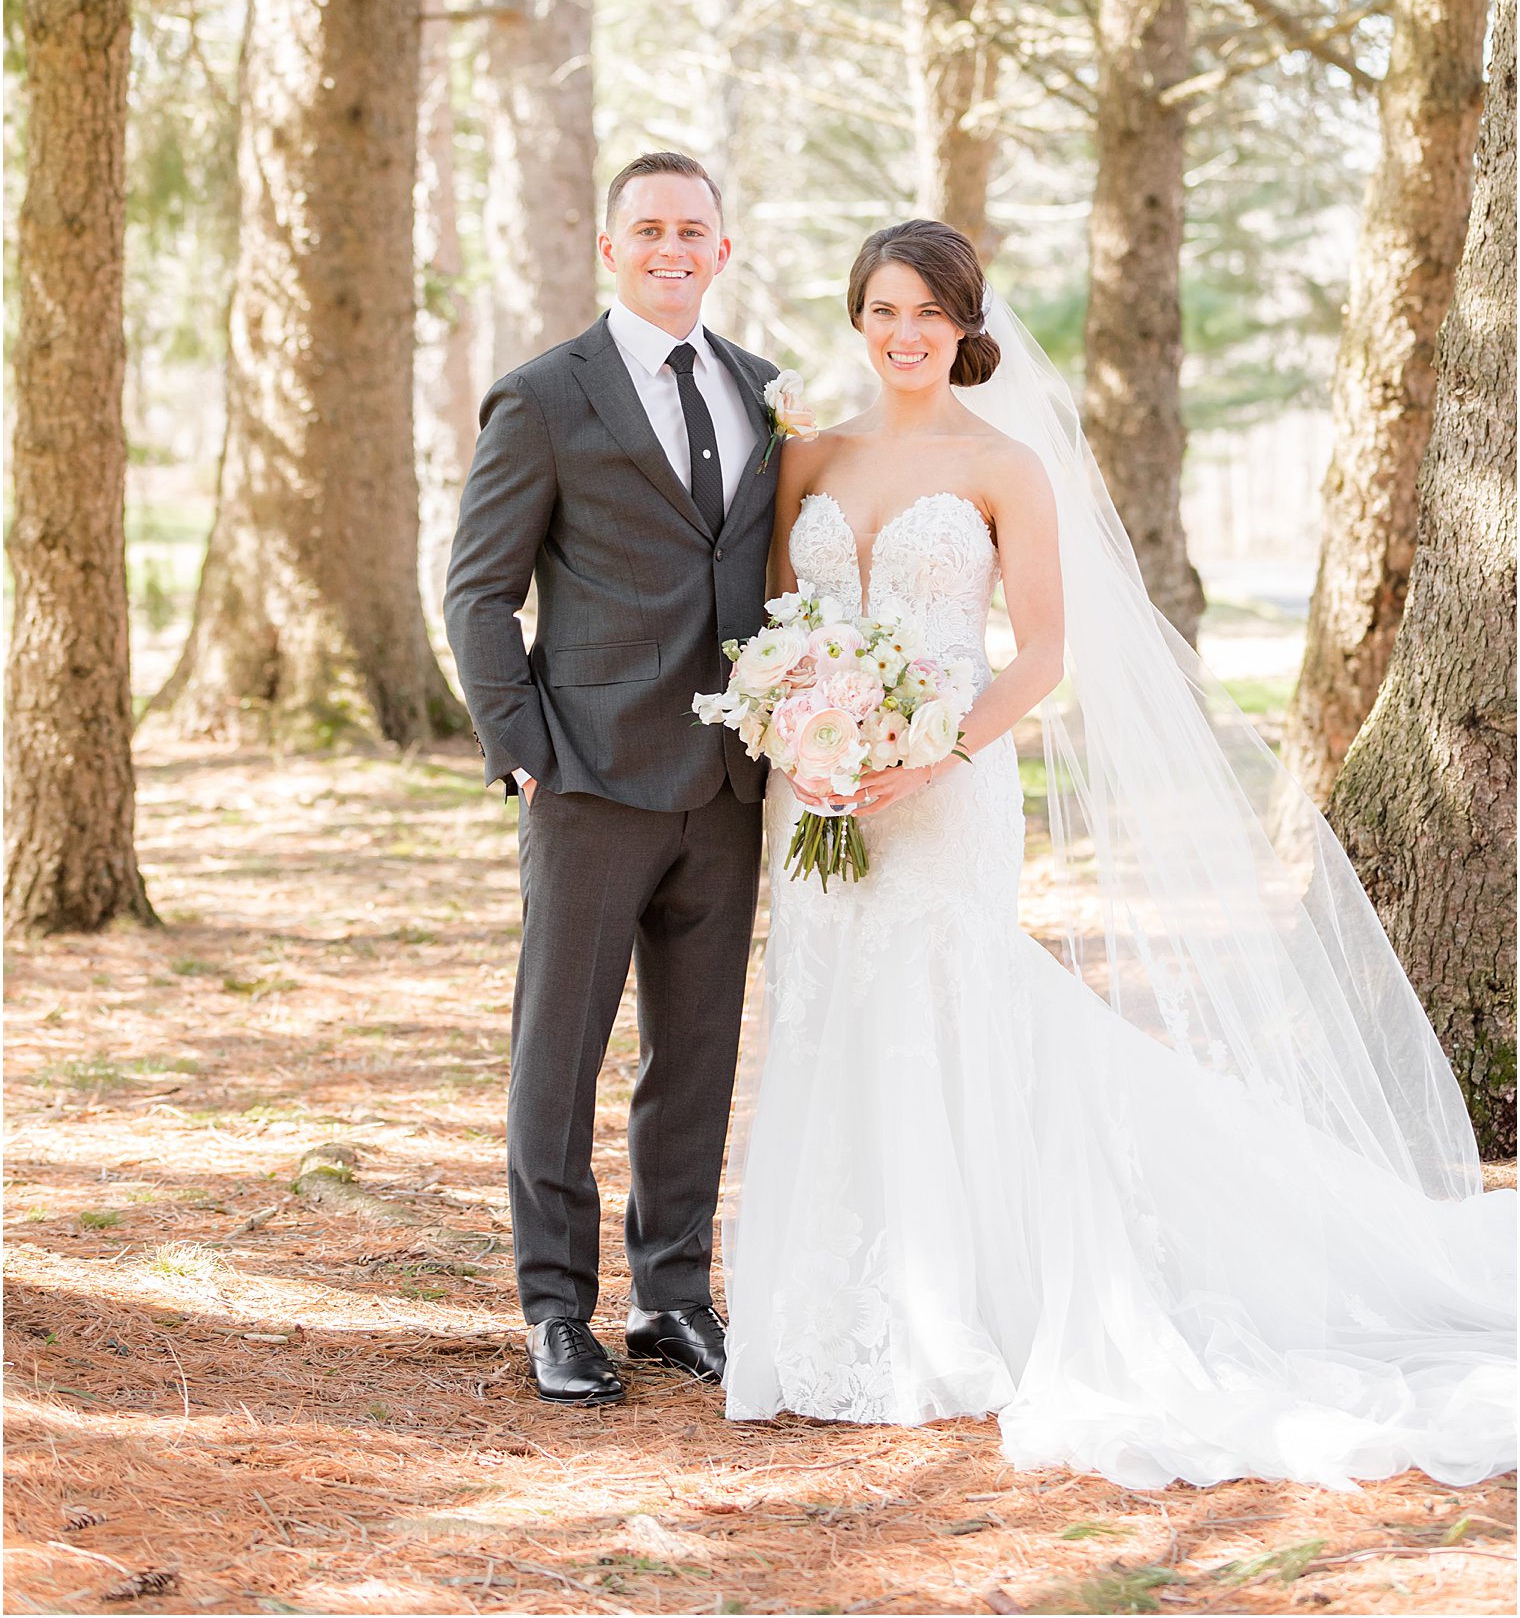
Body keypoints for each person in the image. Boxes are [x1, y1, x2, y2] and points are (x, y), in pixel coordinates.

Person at [722, 217, 1515, 1490]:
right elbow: (780, 625)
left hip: (944, 786)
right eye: (881, 309)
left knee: (947, 1013)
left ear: (967, 325)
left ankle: (955, 1314)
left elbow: (1039, 648)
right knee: (832, 1016)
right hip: (819, 795)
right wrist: (796, 737)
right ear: (856, 318)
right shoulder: (804, 463)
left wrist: (931, 753)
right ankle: (826, 1310)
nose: (903, 333)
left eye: (928, 311)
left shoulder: (1004, 466)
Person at [445, 152, 778, 1405]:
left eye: (694, 229)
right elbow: (478, 591)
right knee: (560, 1050)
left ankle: (672, 1295)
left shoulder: (761, 392)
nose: (672, 248)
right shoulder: (541, 397)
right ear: (608, 246)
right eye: (648, 229)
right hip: (584, 778)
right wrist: (522, 748)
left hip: (727, 787)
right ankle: (553, 1309)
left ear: (723, 250)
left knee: (692, 1052)